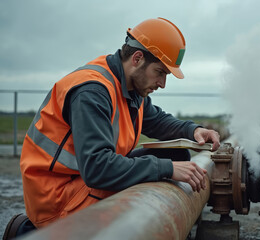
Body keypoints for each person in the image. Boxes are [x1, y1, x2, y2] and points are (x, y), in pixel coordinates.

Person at [9, 17, 220, 235]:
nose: (162, 84)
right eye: (160, 72)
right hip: (59, 199)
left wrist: (193, 130)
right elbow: (97, 167)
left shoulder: (129, 88)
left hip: (82, 181)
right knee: (168, 167)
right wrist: (167, 169)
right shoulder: (93, 92)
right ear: (137, 58)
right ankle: (33, 232)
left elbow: (157, 120)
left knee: (177, 156)